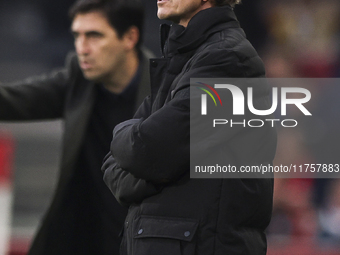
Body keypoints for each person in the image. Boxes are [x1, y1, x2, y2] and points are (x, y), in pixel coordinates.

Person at [102, 0, 277, 254]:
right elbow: (112, 165)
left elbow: (146, 150)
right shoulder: (186, 58)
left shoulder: (228, 58)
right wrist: (157, 168)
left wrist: (125, 137)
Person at [0, 0, 152, 254]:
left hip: (140, 239)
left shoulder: (166, 86)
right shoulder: (79, 79)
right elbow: (14, 101)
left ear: (130, 37)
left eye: (94, 35)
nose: (82, 48)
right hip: (80, 238)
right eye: (77, 35)